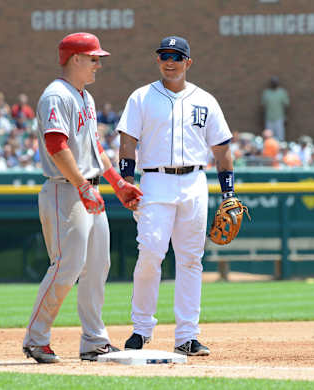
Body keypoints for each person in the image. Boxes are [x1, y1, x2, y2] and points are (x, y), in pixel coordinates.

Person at [22, 32, 142, 364]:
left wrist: (117, 183)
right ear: (75, 59)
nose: (98, 65)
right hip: (65, 189)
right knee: (67, 266)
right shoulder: (56, 96)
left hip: (87, 188)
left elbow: (96, 149)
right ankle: (36, 339)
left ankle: (94, 341)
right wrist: (82, 186)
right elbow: (56, 147)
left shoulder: (85, 98)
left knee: (97, 265)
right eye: (93, 59)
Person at [117, 36, 235, 356]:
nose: (170, 61)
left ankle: (187, 336)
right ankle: (141, 329)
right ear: (158, 60)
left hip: (195, 180)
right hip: (154, 181)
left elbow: (222, 150)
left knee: (190, 259)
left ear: (188, 62)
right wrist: (126, 181)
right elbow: (127, 143)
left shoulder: (206, 100)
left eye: (177, 56)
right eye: (164, 55)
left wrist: (228, 193)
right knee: (151, 253)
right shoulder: (141, 97)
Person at [261, 76, 289, 141]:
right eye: (273, 82)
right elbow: (263, 107)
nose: (274, 84)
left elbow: (286, 105)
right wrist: (262, 118)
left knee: (280, 137)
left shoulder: (282, 92)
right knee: (268, 137)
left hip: (279, 118)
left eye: (275, 82)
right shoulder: (266, 93)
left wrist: (286, 117)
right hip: (269, 118)